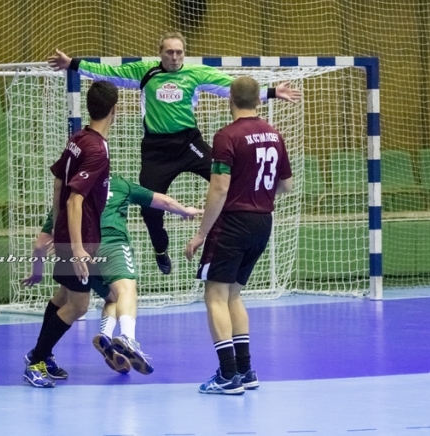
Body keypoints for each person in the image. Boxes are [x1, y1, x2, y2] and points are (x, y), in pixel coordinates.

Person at [48, 31, 301, 275]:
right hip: (156, 150)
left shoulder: (195, 74)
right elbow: (108, 72)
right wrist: (72, 64)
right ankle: (161, 249)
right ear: (160, 53)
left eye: (179, 52)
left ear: (184, 54)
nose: (175, 57)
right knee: (149, 209)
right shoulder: (145, 71)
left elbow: (232, 88)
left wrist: (271, 92)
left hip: (188, 143)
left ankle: (228, 234)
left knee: (230, 182)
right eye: (169, 52)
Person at [23, 175, 203, 376]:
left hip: (81, 252)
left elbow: (41, 244)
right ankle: (127, 336)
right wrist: (184, 210)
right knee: (125, 290)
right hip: (111, 244)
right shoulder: (119, 184)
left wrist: (37, 272)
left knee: (74, 297)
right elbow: (162, 201)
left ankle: (100, 336)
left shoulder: (71, 196)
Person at [185, 76, 293, 395]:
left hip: (232, 223)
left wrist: (201, 234)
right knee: (233, 294)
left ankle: (228, 375)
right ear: (259, 100)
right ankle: (245, 371)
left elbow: (219, 188)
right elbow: (286, 185)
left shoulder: (227, 136)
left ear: (230, 99)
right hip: (263, 222)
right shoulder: (274, 134)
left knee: (215, 295)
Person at [22, 80, 118, 388]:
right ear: (114, 110)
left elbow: (58, 181)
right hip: (81, 236)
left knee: (63, 296)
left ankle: (41, 355)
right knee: (79, 305)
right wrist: (77, 248)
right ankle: (36, 361)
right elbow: (75, 198)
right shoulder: (97, 149)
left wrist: (55, 224)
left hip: (68, 229)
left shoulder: (78, 138)